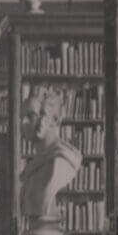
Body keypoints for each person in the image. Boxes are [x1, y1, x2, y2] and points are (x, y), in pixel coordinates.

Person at [19, 88, 81, 222]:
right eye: (23, 117)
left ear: (54, 120)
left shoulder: (60, 162)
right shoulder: (36, 164)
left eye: (31, 116)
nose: (23, 123)